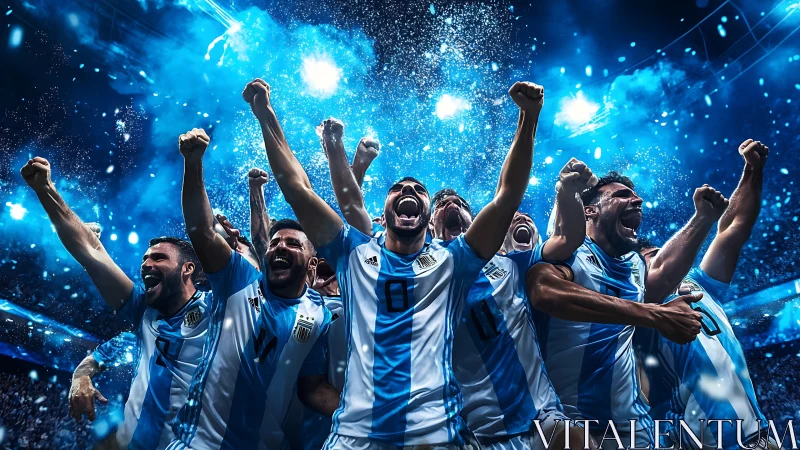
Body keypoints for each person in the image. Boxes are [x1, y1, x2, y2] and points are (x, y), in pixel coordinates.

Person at [242, 77, 544, 448]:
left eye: (418, 190)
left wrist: (528, 118)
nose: (408, 191)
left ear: (428, 216)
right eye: (398, 189)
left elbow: (506, 197)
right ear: (384, 211)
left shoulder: (454, 261)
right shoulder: (352, 251)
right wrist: (265, 114)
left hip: (435, 437)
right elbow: (297, 189)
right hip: (354, 438)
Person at [20, 157, 211, 450]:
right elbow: (91, 251)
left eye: (159, 258)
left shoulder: (218, 311)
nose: (146, 264)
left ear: (188, 270)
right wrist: (45, 189)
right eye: (145, 259)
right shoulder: (144, 313)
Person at [168, 128, 338, 449]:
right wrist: (193, 163)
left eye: (293, 244)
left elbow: (313, 388)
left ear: (312, 265)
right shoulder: (239, 279)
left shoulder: (320, 316)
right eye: (275, 243)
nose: (280, 247)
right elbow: (202, 231)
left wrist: (363, 415)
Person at [527, 171, 707, 448]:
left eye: (636, 196)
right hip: (568, 421)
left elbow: (665, 273)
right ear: (590, 211)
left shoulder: (634, 264)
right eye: (622, 195)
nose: (638, 200)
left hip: (635, 425)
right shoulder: (568, 252)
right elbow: (544, 292)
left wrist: (704, 218)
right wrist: (655, 315)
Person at [430, 158, 597, 450]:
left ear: (476, 220)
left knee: (576, 441)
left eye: (461, 204)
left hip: (541, 417)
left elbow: (567, 239)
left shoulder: (511, 264)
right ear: (431, 226)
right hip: (475, 433)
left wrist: (567, 193)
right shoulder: (423, 279)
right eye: (442, 205)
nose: (452, 205)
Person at [638, 139, 776, 450]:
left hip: (757, 434)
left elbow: (735, 227)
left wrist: (752, 170)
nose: (669, 259)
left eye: (663, 252)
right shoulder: (637, 305)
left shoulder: (699, 283)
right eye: (653, 258)